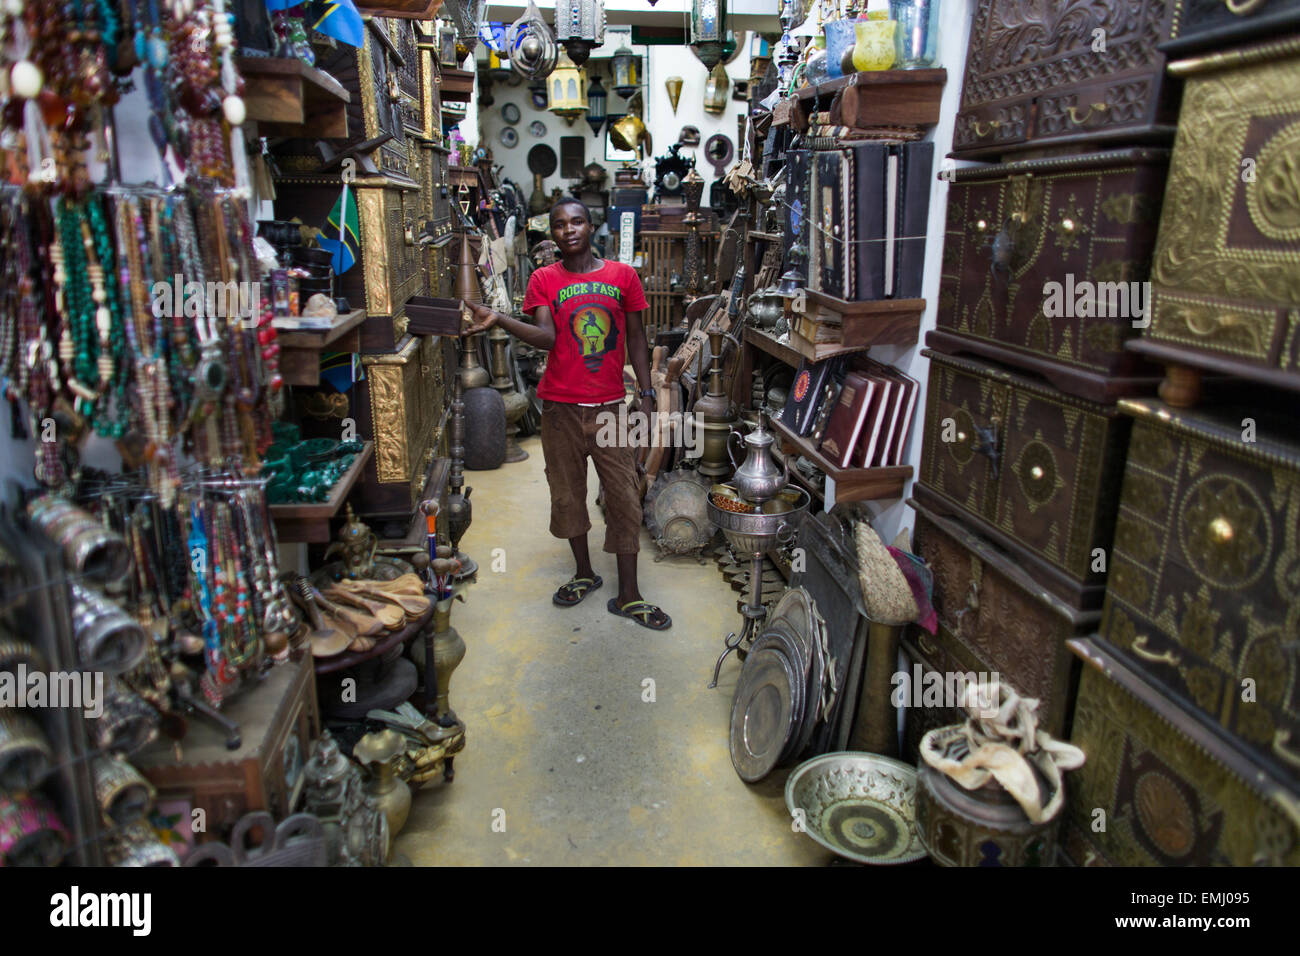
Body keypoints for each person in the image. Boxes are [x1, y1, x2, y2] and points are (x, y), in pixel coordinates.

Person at [463, 198, 671, 630]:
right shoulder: (544, 278)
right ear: (552, 234)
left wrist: (647, 394)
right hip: (558, 409)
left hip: (610, 406)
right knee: (567, 494)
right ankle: (584, 573)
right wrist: (499, 318)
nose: (568, 230)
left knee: (624, 495)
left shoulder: (623, 276)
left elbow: (636, 337)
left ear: (591, 226)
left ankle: (629, 595)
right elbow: (543, 337)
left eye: (576, 221)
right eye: (559, 225)